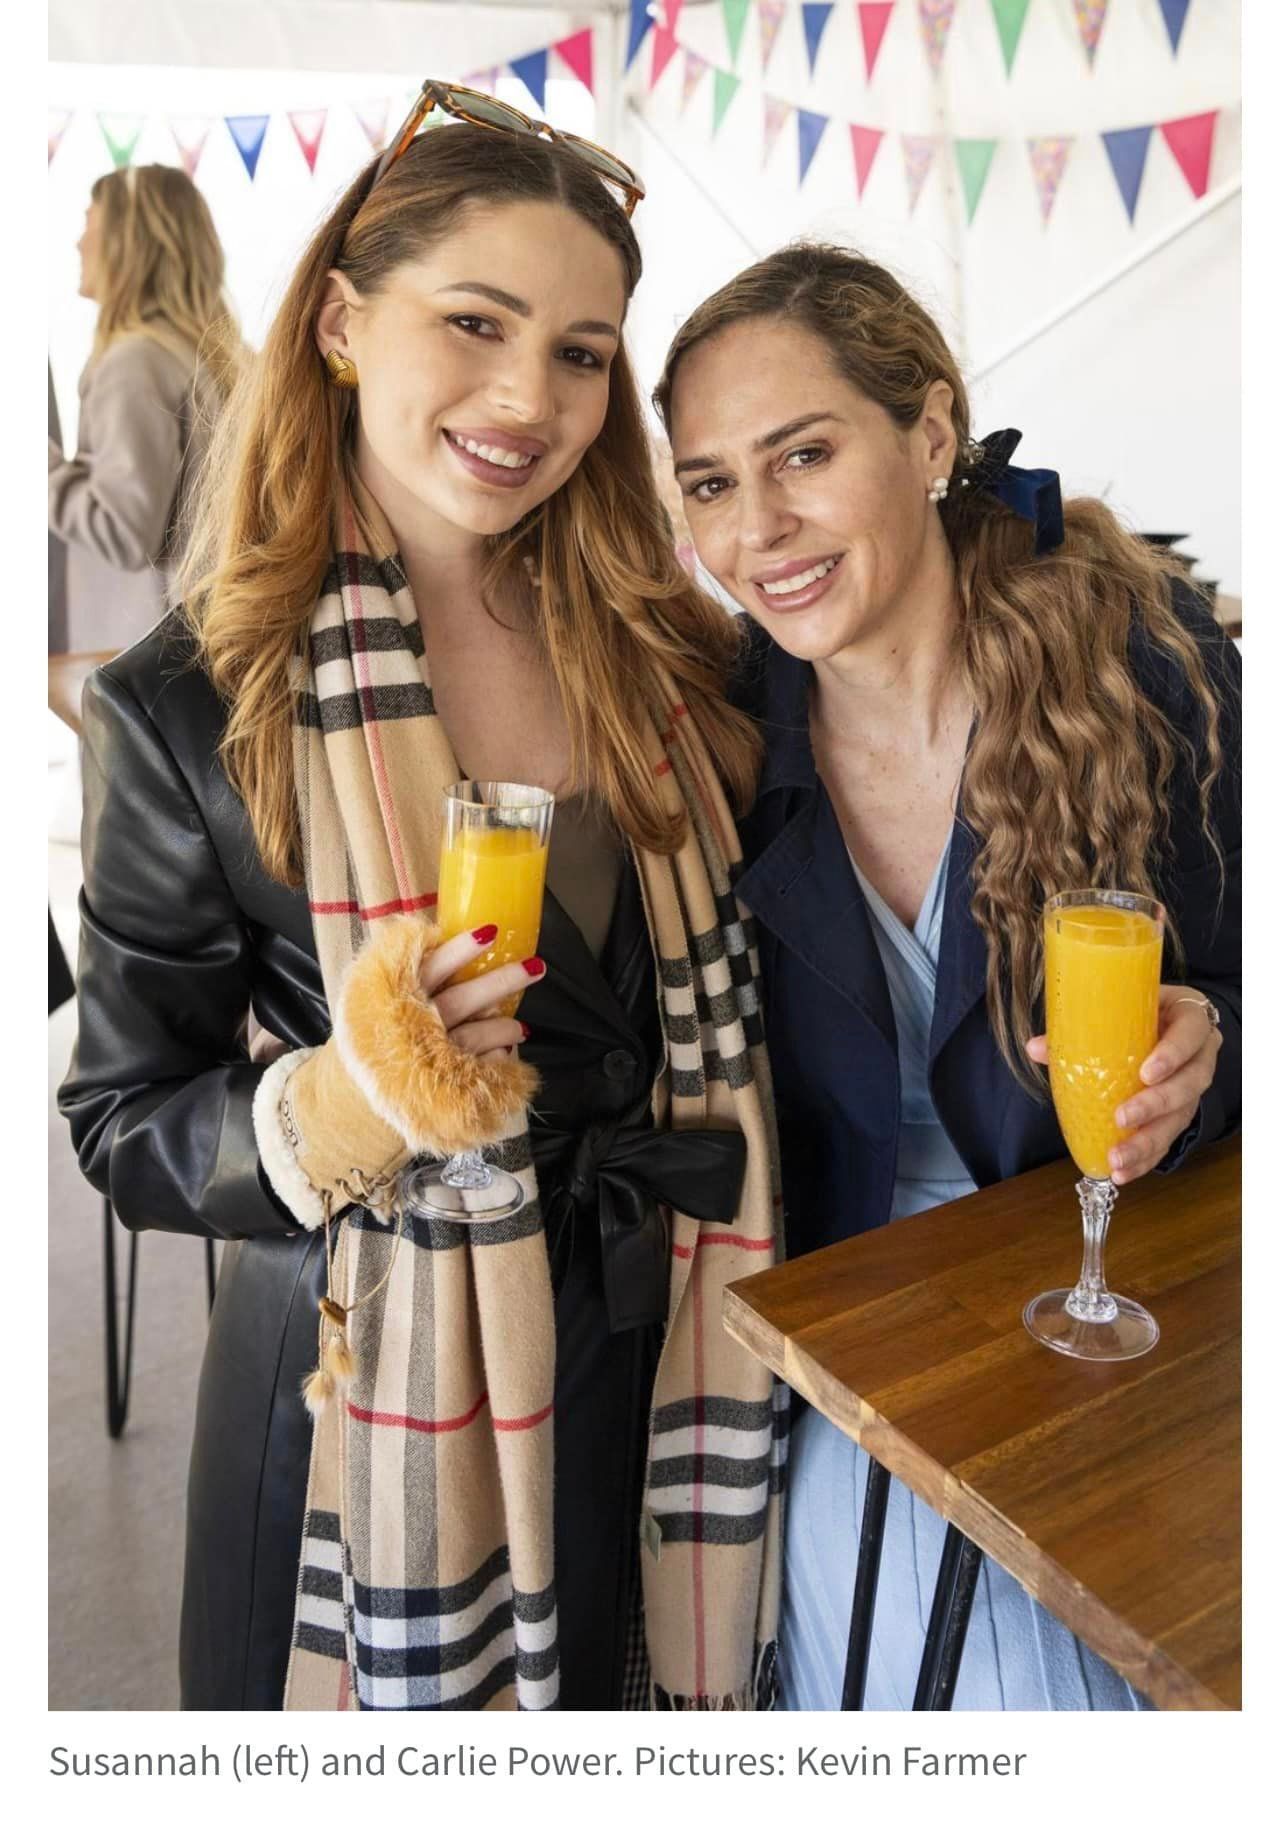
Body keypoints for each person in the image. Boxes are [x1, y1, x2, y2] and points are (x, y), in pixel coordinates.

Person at [59, 98, 785, 1714]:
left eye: (584, 351)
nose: (532, 398)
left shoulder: (671, 651)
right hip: (357, 1397)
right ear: (338, 320)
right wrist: (352, 1096)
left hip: (654, 1345)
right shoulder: (191, 706)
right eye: (475, 322)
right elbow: (125, 1121)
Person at [655, 242, 1240, 1711]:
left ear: (926, 435)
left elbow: (1244, 981)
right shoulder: (712, 744)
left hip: (1121, 1331)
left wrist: (1210, 1046)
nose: (758, 528)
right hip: (847, 1364)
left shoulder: (1145, 673)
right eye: (711, 483)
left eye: (803, 453)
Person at [48, 163, 241, 655]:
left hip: (143, 651)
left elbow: (124, 533)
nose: (78, 243)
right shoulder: (211, 353)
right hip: (202, 639)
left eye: (90, 225)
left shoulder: (134, 361)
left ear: (127, 243)